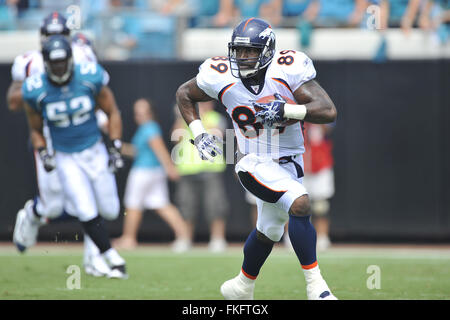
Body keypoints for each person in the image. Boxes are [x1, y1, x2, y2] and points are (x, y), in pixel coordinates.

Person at [176, 17, 337, 300]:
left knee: (268, 231)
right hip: (252, 161)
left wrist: (287, 110)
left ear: (267, 50)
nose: (243, 57)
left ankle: (241, 286)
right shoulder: (221, 75)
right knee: (299, 202)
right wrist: (199, 134)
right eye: (238, 51)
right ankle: (317, 288)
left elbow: (327, 110)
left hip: (290, 162)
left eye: (250, 51)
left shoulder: (286, 71)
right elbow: (185, 94)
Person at [9, 11, 111, 277]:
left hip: (81, 131)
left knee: (95, 200)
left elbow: (98, 90)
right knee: (53, 206)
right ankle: (33, 213)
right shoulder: (29, 62)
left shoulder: (84, 56)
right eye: (49, 36)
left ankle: (96, 257)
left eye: (59, 35)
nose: (54, 40)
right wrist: (40, 85)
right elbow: (13, 101)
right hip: (50, 135)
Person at [21, 34, 127, 279]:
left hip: (94, 149)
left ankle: (98, 257)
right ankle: (112, 259)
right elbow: (35, 129)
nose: (59, 67)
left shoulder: (89, 76)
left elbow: (112, 112)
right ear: (46, 63)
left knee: (110, 210)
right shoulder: (35, 90)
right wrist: (43, 151)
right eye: (53, 63)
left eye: (62, 61)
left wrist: (116, 146)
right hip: (65, 155)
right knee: (85, 207)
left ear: (70, 59)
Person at [112, 98, 191, 252]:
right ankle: (184, 235)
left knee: (133, 204)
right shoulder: (146, 128)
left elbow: (159, 149)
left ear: (150, 113)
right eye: (137, 112)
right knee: (161, 204)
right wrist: (119, 147)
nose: (139, 115)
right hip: (152, 171)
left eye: (143, 112)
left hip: (144, 172)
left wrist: (170, 167)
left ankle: (129, 238)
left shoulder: (149, 128)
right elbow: (136, 151)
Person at [172, 100, 229, 252]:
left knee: (215, 205)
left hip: (211, 167)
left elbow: (217, 135)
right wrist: (180, 116)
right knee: (186, 206)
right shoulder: (186, 117)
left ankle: (218, 239)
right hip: (188, 168)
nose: (204, 105)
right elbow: (176, 137)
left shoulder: (216, 118)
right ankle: (185, 239)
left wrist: (200, 118)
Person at [302, 123, 335, 251]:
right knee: (297, 204)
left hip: (320, 165)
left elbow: (328, 129)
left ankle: (322, 238)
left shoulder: (323, 109)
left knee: (321, 205)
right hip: (300, 165)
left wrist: (314, 118)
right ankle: (294, 238)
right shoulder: (292, 109)